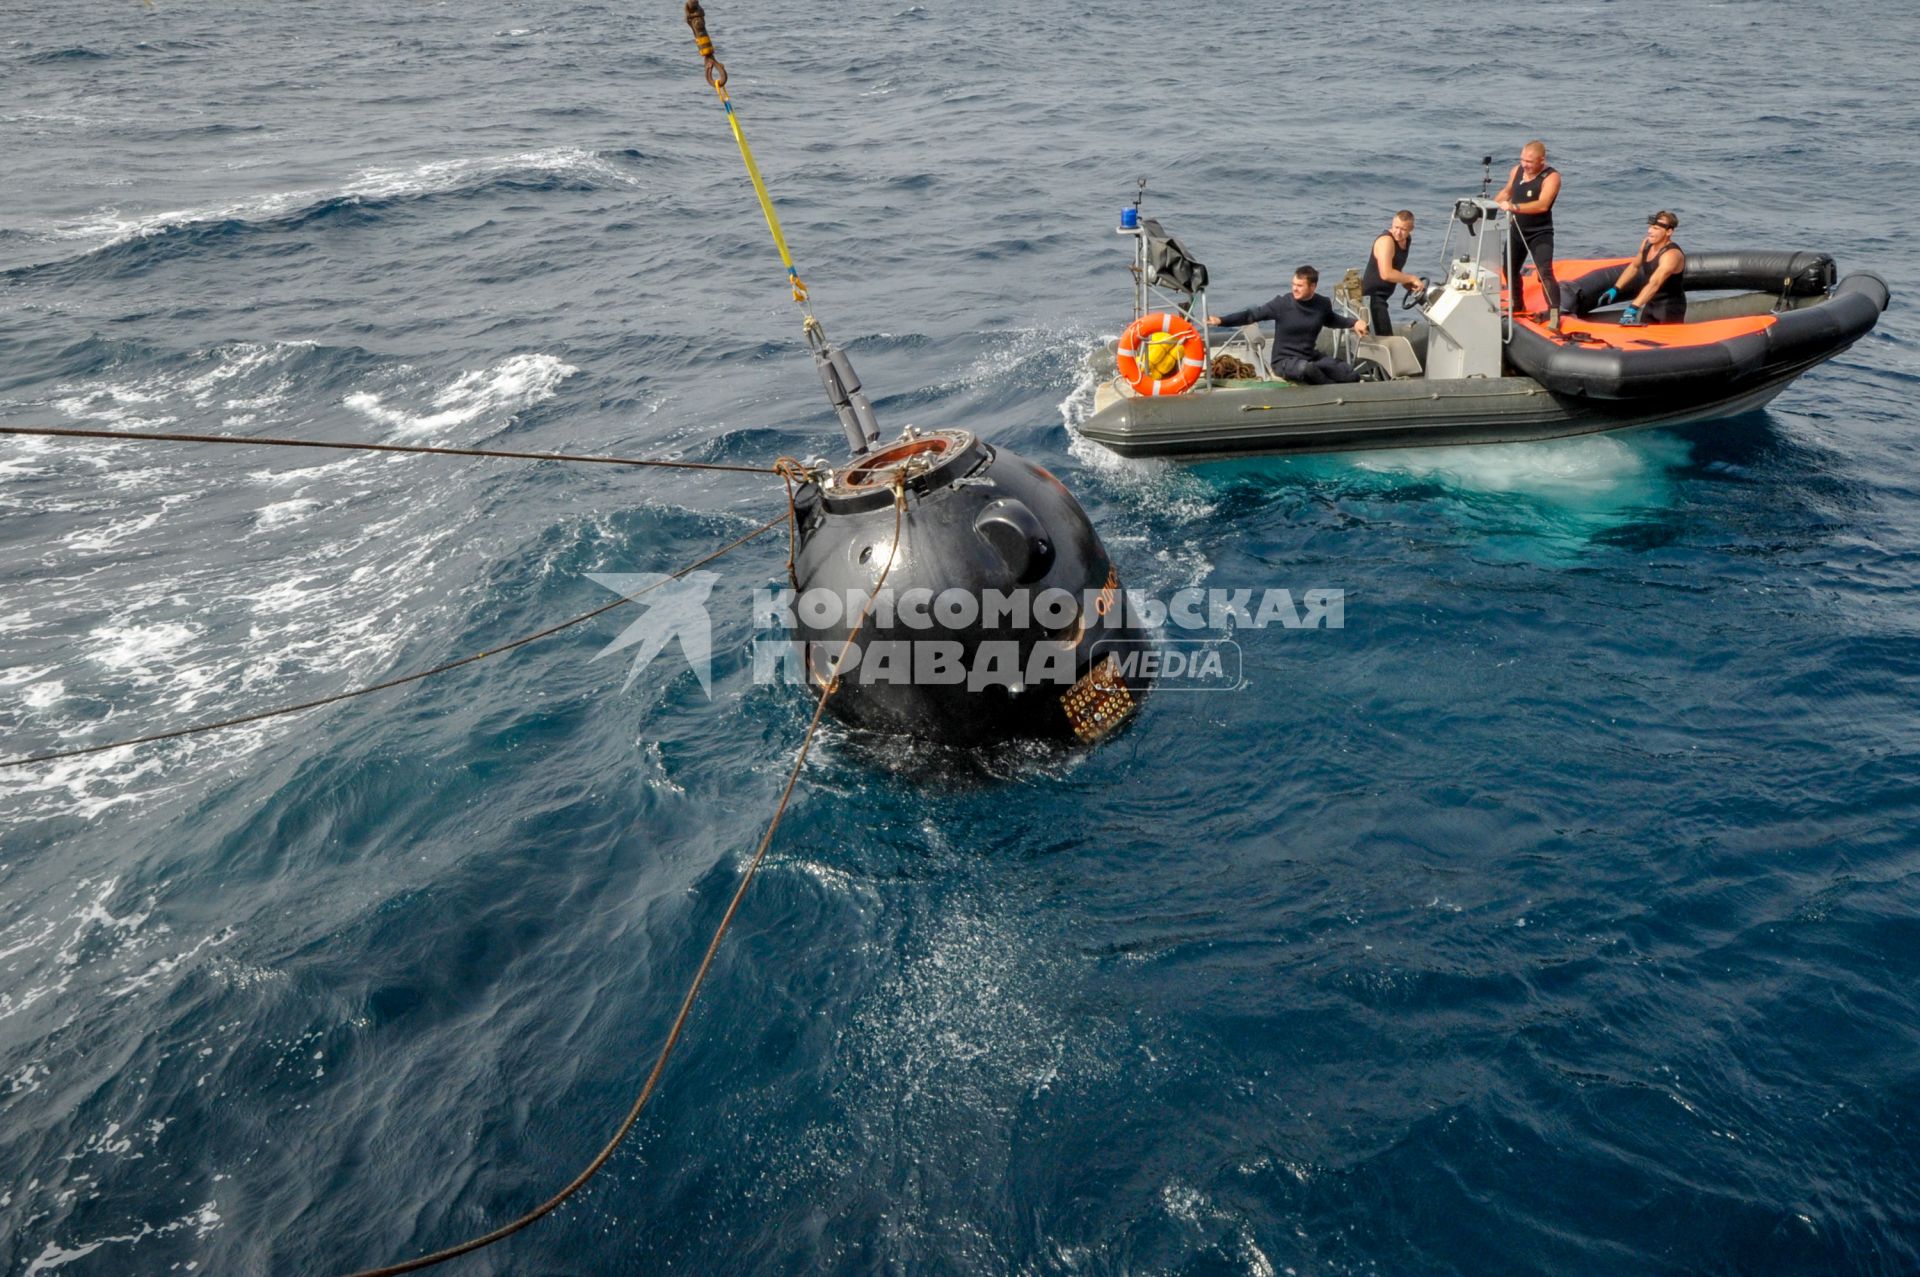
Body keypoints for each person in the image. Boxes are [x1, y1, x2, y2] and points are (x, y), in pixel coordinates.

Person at [1207, 266, 1367, 385]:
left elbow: (1331, 320)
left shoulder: (1322, 304)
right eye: (1293, 284)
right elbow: (1251, 315)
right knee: (1307, 369)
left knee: (1349, 375)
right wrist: (1222, 320)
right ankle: (1331, 392)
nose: (1294, 289)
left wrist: (1354, 322)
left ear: (1312, 287)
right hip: (1284, 361)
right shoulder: (1282, 304)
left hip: (1310, 356)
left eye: (1299, 286)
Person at [1495, 140, 1562, 331]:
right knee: (1510, 268)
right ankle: (1517, 303)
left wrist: (1514, 207)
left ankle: (1555, 313)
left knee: (1544, 272)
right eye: (1522, 159)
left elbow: (1543, 204)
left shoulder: (1551, 177)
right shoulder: (1517, 171)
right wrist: (1488, 207)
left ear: (1542, 160)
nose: (1525, 164)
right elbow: (1507, 192)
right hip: (1516, 229)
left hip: (1540, 232)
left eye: (1530, 162)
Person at [1596, 211, 1686, 326]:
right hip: (1651, 303)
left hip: (1670, 307)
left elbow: (1655, 283)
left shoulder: (1671, 255)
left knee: (1665, 342)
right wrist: (1615, 289)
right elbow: (1634, 266)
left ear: (1669, 231)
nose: (1650, 231)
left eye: (1656, 228)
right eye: (1650, 227)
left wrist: (1633, 307)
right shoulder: (1647, 245)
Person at [1361, 210, 1427, 338]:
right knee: (1385, 339)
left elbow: (1395, 268)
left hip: (1383, 297)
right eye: (1396, 227)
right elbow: (1386, 274)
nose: (1398, 232)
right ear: (1392, 223)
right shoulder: (1386, 241)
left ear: (1411, 229)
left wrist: (1405, 282)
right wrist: (1411, 278)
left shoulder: (1407, 240)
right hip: (1372, 298)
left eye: (1403, 229)